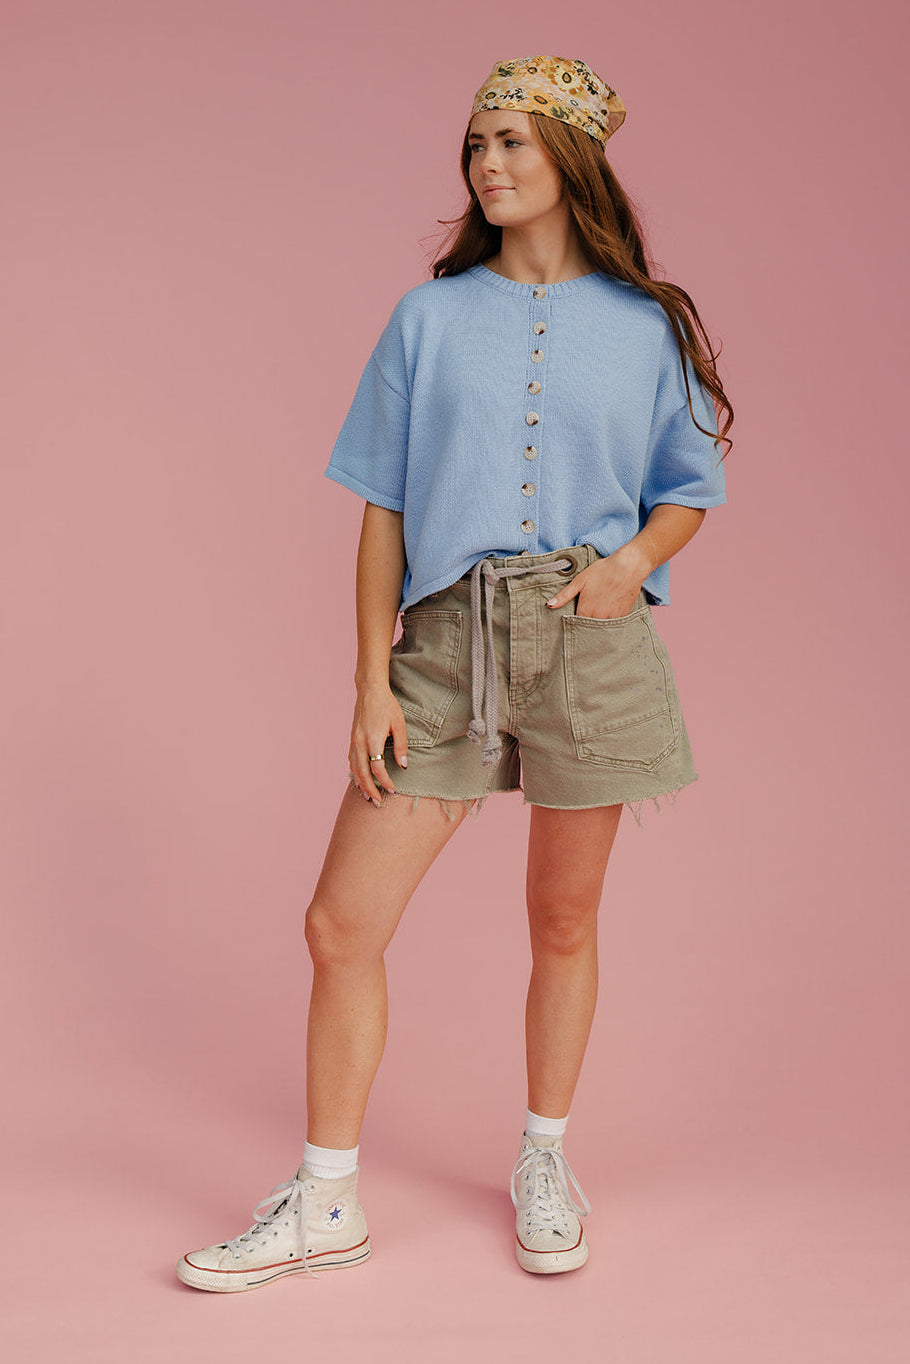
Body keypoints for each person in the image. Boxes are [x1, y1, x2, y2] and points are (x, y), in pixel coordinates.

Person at [177, 53, 733, 1292]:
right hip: (444, 638)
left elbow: (690, 489)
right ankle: (326, 1198)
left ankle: (544, 1157)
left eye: (511, 143)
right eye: (475, 144)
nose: (486, 164)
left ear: (570, 160)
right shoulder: (424, 321)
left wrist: (629, 560)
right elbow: (380, 505)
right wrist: (372, 680)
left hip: (592, 637)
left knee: (564, 916)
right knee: (340, 924)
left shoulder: (644, 327)